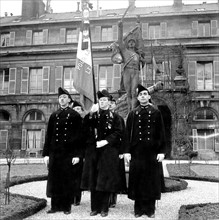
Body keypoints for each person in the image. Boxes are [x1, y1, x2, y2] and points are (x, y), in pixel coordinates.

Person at [124, 84, 166, 218]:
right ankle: (138, 209)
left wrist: (162, 151)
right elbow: (127, 134)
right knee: (138, 180)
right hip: (137, 153)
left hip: (152, 152)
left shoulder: (156, 112)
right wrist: (127, 151)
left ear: (149, 96)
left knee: (151, 180)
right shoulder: (133, 113)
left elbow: (161, 133)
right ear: (137, 97)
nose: (143, 96)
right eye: (140, 95)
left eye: (145, 94)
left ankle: (150, 209)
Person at [81, 89, 123, 217]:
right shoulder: (93, 115)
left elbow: (119, 132)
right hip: (94, 153)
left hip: (108, 153)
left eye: (105, 100)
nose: (102, 102)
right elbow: (84, 129)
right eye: (100, 100)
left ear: (109, 102)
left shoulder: (115, 117)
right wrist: (89, 115)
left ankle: (104, 208)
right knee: (93, 180)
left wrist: (106, 141)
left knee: (104, 181)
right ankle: (95, 208)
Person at [42, 87, 83, 215]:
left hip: (68, 153)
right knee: (55, 180)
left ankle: (66, 207)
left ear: (69, 100)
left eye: (64, 97)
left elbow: (80, 137)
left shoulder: (75, 115)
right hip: (55, 153)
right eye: (60, 98)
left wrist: (78, 155)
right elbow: (48, 136)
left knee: (67, 180)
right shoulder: (54, 115)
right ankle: (55, 206)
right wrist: (46, 154)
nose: (62, 99)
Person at [117, 20, 145, 112]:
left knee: (134, 92)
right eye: (130, 42)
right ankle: (129, 110)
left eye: (133, 42)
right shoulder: (125, 52)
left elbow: (142, 65)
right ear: (127, 43)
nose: (131, 43)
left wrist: (142, 60)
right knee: (128, 92)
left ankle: (133, 110)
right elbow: (120, 41)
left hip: (135, 72)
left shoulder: (137, 55)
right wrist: (120, 28)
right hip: (127, 72)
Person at [108, 95, 127, 208]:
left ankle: (112, 199)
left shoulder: (119, 119)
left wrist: (122, 151)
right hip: (104, 151)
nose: (110, 105)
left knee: (114, 175)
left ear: (115, 105)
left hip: (115, 151)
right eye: (108, 102)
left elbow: (123, 136)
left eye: (112, 103)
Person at [70, 100, 85, 206]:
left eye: (78, 109)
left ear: (81, 111)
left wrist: (82, 155)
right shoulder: (68, 122)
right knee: (69, 176)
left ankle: (77, 198)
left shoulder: (84, 122)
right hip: (68, 153)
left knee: (77, 177)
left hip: (80, 153)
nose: (76, 111)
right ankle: (69, 197)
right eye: (74, 109)